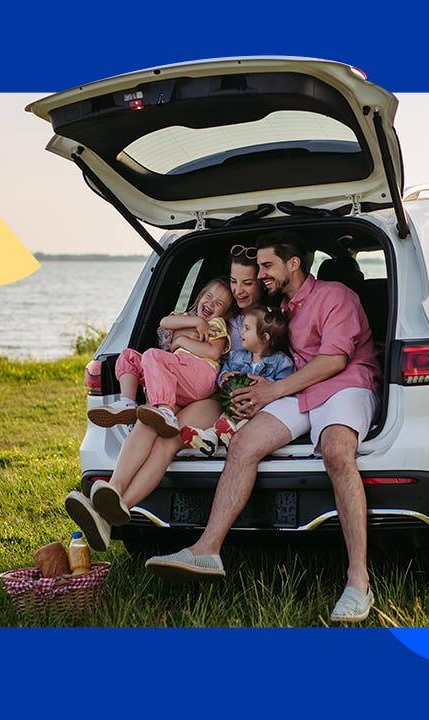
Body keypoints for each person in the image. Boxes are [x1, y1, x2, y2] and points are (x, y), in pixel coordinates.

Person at [144, 230, 382, 624]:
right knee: (243, 445)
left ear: (294, 264)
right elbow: (253, 343)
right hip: (300, 387)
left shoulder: (336, 296)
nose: (262, 274)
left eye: (268, 266)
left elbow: (334, 362)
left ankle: (358, 580)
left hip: (345, 384)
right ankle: (207, 549)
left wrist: (271, 392)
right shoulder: (282, 309)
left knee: (337, 451)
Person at [64, 252, 267, 552]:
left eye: (247, 283)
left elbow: (211, 352)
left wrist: (182, 341)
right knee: (146, 426)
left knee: (165, 444)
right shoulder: (197, 317)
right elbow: (164, 327)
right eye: (235, 282)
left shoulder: (260, 318)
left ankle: (116, 511)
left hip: (210, 395)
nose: (239, 290)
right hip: (174, 381)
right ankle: (112, 493)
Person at [86, 277, 233, 437]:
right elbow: (164, 322)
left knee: (153, 355)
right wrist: (196, 321)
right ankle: (127, 402)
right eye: (208, 296)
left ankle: (166, 411)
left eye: (219, 304)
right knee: (129, 356)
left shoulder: (217, 324)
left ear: (226, 313)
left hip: (201, 376)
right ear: (200, 296)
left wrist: (180, 340)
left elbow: (213, 353)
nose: (211, 303)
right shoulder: (186, 318)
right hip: (179, 376)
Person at [179, 305, 294, 456]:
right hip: (233, 406)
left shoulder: (282, 362)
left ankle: (231, 434)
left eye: (247, 328)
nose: (241, 332)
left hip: (259, 411)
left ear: (265, 338)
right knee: (225, 417)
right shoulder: (237, 356)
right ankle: (210, 438)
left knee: (244, 424)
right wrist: (224, 377)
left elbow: (284, 388)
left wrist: (268, 384)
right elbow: (224, 371)